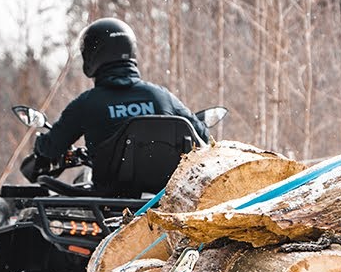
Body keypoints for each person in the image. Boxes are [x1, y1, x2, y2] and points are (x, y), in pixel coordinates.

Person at [21, 17, 208, 184]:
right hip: (161, 202)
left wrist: (40, 145)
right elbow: (203, 137)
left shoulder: (87, 104)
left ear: (91, 56)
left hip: (108, 201)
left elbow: (51, 148)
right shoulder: (161, 97)